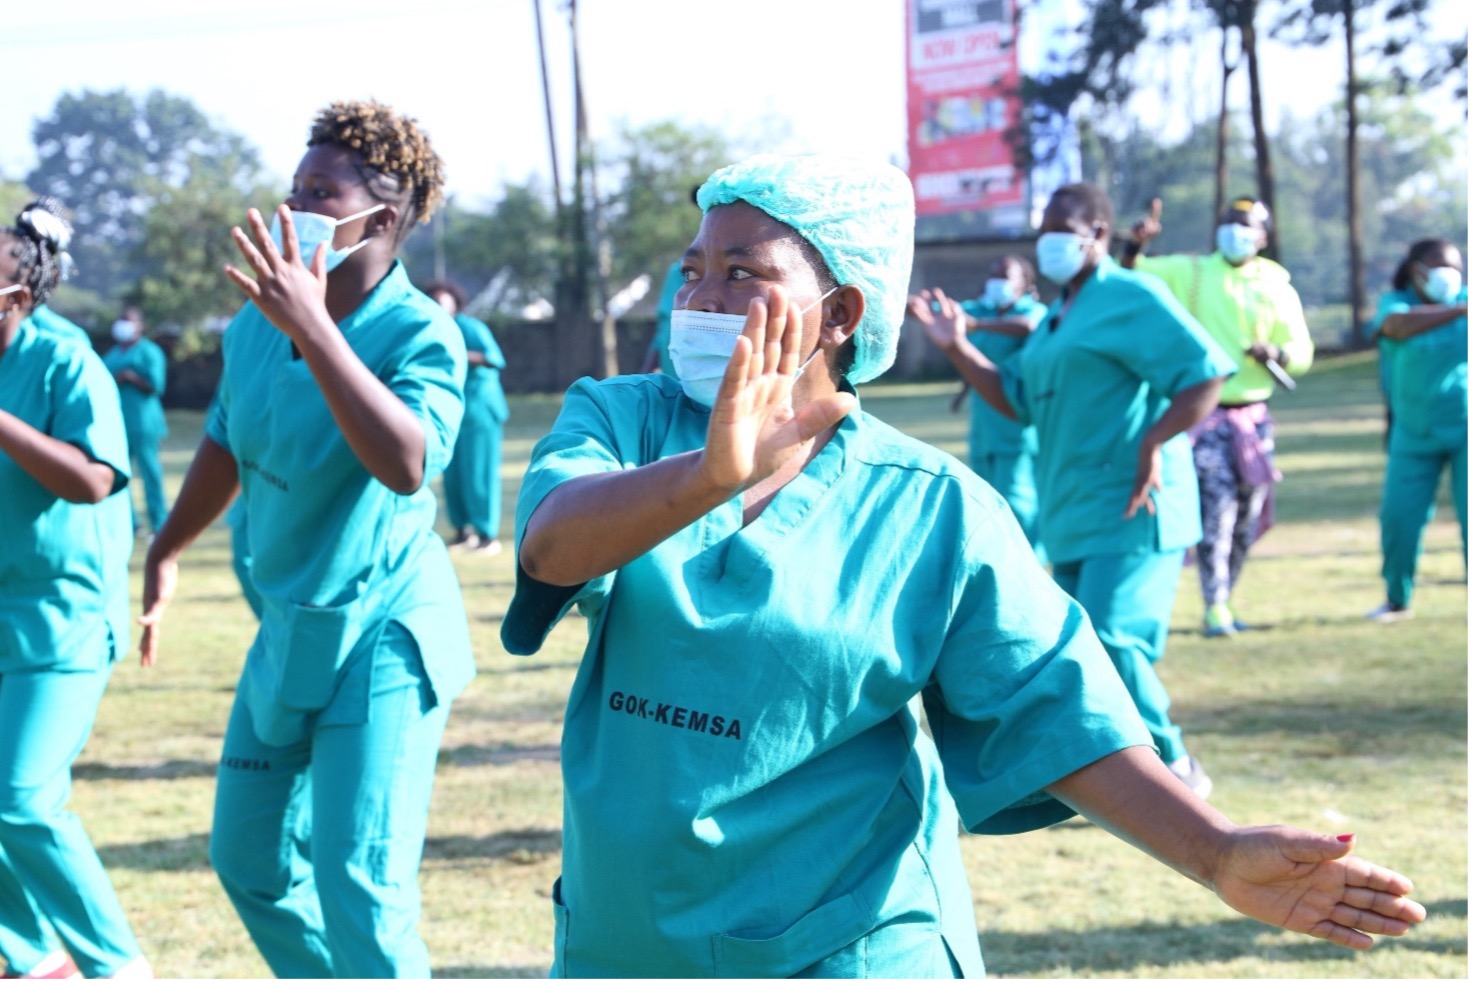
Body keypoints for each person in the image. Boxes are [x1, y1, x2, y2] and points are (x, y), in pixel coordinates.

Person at [502, 155, 1424, 977]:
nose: (699, 300)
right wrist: (708, 474)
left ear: (841, 314)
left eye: (742, 274)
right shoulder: (622, 418)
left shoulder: (931, 506)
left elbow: (1054, 710)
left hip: (843, 942)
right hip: (625, 937)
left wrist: (1215, 851)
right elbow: (553, 544)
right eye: (692, 272)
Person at [138, 100, 474, 978]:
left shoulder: (419, 332)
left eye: (322, 191)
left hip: (383, 629)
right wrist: (165, 546)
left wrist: (315, 324)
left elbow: (407, 463)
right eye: (295, 188)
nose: (297, 207)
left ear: (383, 218)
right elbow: (223, 441)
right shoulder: (256, 324)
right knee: (247, 859)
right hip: (292, 621)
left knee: (359, 884)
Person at [921, 182, 1238, 799]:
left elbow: (1206, 374)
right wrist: (958, 346)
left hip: (1134, 503)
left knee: (1113, 640)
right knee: (1066, 653)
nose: (1050, 238)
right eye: (1043, 226)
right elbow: (1015, 402)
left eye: (1063, 225)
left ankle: (1175, 769)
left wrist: (1152, 443)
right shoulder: (1057, 319)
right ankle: (1081, 779)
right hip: (1073, 507)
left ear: (1098, 231)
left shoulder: (1130, 295)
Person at [0, 199, 151, 979]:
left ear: (18, 299)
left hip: (59, 616)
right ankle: (28, 959)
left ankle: (118, 965)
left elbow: (95, 479)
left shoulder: (64, 363)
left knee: (22, 795)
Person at [1122, 197, 1314, 637]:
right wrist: (1134, 246)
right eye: (1228, 224)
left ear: (1263, 237)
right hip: (1204, 415)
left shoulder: (1276, 285)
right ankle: (1215, 607)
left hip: (1253, 420)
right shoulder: (1191, 272)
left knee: (1249, 512)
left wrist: (1277, 353)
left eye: (1245, 226)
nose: (1234, 233)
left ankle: (1226, 594)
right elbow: (1131, 274)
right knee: (1218, 511)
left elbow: (1301, 352)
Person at [907, 254, 1048, 559]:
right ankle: (997, 562)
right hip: (984, 423)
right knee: (985, 500)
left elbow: (1029, 326)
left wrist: (975, 325)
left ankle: (1028, 564)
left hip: (1016, 424)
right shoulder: (978, 309)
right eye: (993, 274)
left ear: (1025, 284)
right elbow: (938, 316)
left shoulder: (1031, 312)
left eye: (1005, 276)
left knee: (1018, 503)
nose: (996, 281)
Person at [1366, 238, 1467, 622]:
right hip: (1412, 433)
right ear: (1416, 270)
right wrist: (1458, 311)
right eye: (1439, 266)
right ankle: (1397, 598)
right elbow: (1394, 327)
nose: (1449, 275)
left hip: (1464, 428)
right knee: (1399, 520)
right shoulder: (1397, 305)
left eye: (1455, 266)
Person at [424, 280, 510, 554]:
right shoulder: (430, 328)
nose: (438, 305)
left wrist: (458, 354)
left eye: (443, 300)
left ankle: (487, 535)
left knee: (479, 473)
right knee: (453, 475)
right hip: (449, 411)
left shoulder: (471, 328)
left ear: (455, 302)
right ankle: (463, 532)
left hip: (479, 410)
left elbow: (492, 358)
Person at [102, 307, 169, 536]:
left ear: (140, 326)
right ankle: (130, 523)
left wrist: (130, 377)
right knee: (119, 474)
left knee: (150, 474)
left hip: (144, 423)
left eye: (128, 321)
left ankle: (159, 523)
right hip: (117, 423)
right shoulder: (113, 353)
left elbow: (156, 385)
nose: (123, 325)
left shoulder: (149, 352)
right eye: (121, 320)